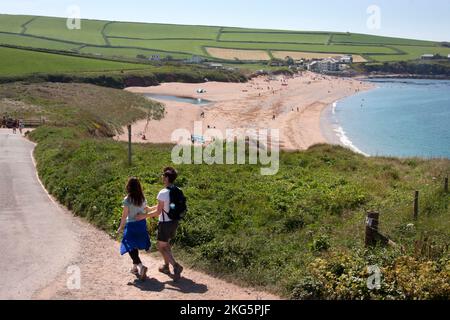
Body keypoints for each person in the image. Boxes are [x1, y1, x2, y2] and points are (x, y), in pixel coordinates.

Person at [136, 167, 184, 281]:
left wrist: (143, 216)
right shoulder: (177, 190)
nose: (162, 177)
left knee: (160, 246)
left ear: (167, 178)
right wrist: (149, 209)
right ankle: (166, 267)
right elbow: (161, 208)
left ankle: (175, 266)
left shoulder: (163, 192)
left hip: (165, 223)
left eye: (163, 175)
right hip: (174, 221)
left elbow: (158, 212)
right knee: (165, 245)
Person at [117, 177, 155, 281]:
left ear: (128, 187)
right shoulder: (142, 198)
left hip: (132, 226)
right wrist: (157, 207)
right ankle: (135, 268)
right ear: (139, 187)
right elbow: (146, 210)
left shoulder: (127, 200)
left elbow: (124, 216)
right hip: (141, 225)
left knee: (129, 246)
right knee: (134, 247)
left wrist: (120, 227)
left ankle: (141, 267)